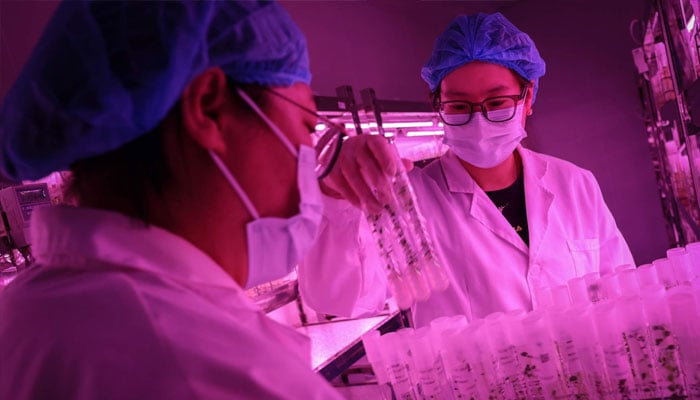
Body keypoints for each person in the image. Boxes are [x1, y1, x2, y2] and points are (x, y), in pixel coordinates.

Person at [0, 1, 344, 399]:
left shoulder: (25, 313)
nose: (309, 163)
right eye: (307, 125)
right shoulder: (224, 375)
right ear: (209, 108)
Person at [299, 12, 635, 327]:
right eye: (459, 106)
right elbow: (337, 296)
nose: (479, 120)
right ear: (439, 107)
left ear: (528, 98)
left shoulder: (575, 184)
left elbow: (621, 288)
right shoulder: (408, 201)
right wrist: (335, 194)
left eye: (496, 102)